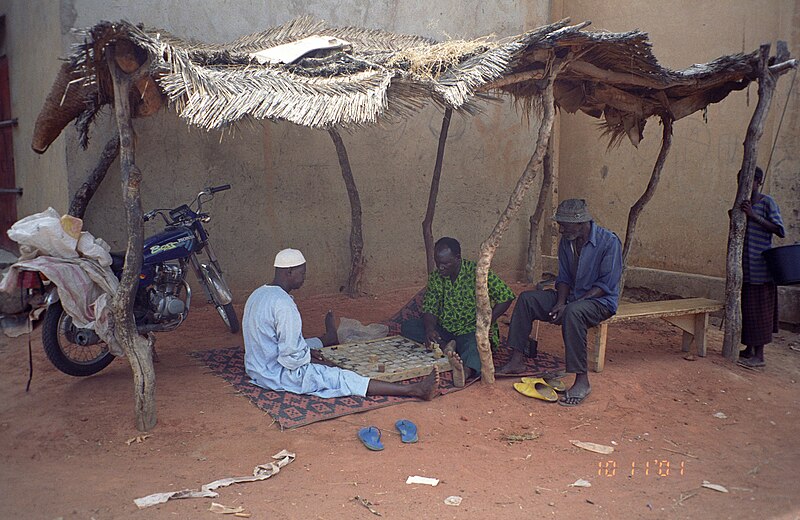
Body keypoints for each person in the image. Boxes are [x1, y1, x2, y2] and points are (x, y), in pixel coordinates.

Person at [243, 248, 439, 400]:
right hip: (276, 374)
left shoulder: (259, 293)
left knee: (306, 344)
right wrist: (322, 363)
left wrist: (305, 351)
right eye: (302, 273)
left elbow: (282, 343)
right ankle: (414, 390)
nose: (304, 277)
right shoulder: (284, 305)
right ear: (289, 272)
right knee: (341, 377)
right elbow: (291, 359)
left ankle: (327, 339)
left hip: (257, 367)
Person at [497, 199, 622, 406]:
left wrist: (570, 304)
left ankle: (582, 380)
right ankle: (516, 359)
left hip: (600, 301)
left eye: (564, 224)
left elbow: (605, 284)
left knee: (573, 312)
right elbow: (563, 277)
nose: (560, 229)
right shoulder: (568, 242)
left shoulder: (609, 242)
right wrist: (560, 302)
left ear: (581, 222)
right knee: (528, 299)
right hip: (571, 298)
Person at [401, 237, 515, 386]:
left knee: (476, 345)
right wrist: (430, 330)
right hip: (446, 332)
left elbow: (506, 296)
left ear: (457, 258)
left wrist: (487, 322)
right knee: (409, 326)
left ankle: (464, 371)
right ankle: (447, 346)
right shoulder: (437, 277)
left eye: (445, 263)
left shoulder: (477, 273)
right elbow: (430, 306)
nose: (440, 267)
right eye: (438, 262)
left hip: (470, 331)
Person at [738, 167, 785, 368]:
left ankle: (760, 355)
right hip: (746, 270)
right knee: (748, 311)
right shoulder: (743, 203)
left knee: (761, 313)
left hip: (762, 270)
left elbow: (779, 230)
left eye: (746, 180)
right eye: (739, 180)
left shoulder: (767, 202)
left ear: (757, 181)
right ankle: (749, 349)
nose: (742, 184)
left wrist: (753, 216)